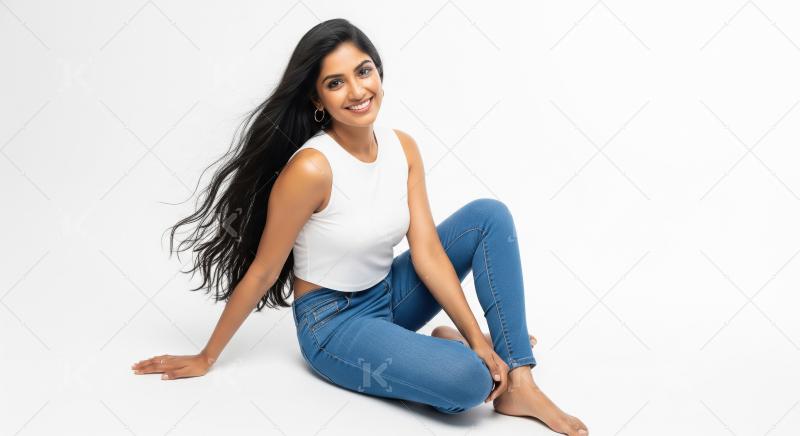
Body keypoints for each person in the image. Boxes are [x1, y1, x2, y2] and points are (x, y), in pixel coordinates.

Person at [131, 18, 588, 436]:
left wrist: (472, 333)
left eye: (363, 71)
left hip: (389, 293)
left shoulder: (402, 148)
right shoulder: (311, 169)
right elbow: (266, 272)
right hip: (334, 324)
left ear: (379, 73)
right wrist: (206, 356)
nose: (356, 91)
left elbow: (427, 253)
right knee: (468, 382)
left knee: (489, 215)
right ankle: (460, 357)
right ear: (317, 99)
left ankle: (519, 381)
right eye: (336, 83)